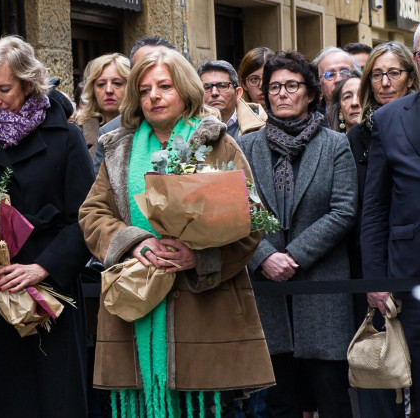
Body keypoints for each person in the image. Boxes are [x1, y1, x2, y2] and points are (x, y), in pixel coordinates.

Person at [79, 48, 274, 418]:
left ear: (184, 90)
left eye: (164, 86)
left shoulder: (219, 145)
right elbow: (92, 214)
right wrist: (133, 242)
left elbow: (252, 221)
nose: (153, 95)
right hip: (134, 304)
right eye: (145, 88)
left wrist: (198, 256)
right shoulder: (118, 148)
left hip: (204, 306)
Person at [0, 36, 94, 418]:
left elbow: (88, 219)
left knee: (52, 401)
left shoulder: (66, 137)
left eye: (4, 89)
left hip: (49, 297)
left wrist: (44, 267)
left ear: (28, 83)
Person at [237, 50, 358, 417]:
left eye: (292, 85)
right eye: (274, 87)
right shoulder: (245, 146)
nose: (282, 94)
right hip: (268, 290)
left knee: (332, 398)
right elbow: (240, 210)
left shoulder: (335, 145)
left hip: (321, 288)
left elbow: (343, 210)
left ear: (310, 93)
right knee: (280, 402)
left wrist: (293, 256)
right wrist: (264, 257)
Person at [346, 41, 418, 418]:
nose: (385, 81)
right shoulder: (386, 123)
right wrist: (375, 278)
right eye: (377, 74)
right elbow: (373, 210)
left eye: (394, 72)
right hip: (408, 276)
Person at [93, 36, 178, 174]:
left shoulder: (208, 129)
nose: (151, 71)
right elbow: (99, 193)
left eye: (165, 85)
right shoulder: (111, 137)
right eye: (142, 67)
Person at [76, 53, 130, 158]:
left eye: (117, 83)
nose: (108, 90)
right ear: (92, 90)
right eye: (101, 84)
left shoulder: (144, 128)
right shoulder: (78, 133)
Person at [198, 59, 267, 137]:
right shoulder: (189, 127)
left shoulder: (261, 125)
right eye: (207, 87)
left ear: (238, 93)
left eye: (222, 86)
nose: (214, 93)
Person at [313, 47, 360, 122]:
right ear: (319, 86)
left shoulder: (375, 116)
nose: (339, 79)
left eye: (345, 72)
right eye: (330, 75)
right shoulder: (311, 122)